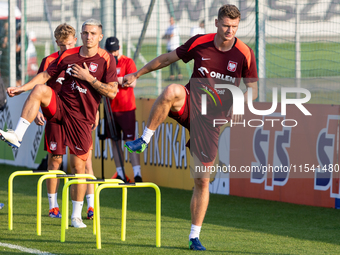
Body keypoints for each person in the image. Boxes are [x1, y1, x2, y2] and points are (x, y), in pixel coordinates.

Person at [124, 5, 258, 250]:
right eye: (226, 25)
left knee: (202, 181)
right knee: (171, 90)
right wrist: (138, 74)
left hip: (211, 121)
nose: (230, 31)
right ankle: (144, 140)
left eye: (235, 27)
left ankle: (194, 236)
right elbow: (167, 59)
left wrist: (240, 105)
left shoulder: (245, 53)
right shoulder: (200, 42)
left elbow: (253, 89)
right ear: (217, 23)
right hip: (189, 103)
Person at [0, 18, 118, 228]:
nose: (88, 37)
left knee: (78, 167)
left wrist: (88, 78)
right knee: (40, 90)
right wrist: (22, 88)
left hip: (82, 118)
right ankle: (17, 135)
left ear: (100, 36)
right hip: (61, 106)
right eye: (85, 33)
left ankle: (76, 215)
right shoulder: (67, 55)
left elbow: (112, 91)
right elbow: (46, 75)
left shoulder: (106, 59)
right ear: (80, 35)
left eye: (92, 33)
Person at [34, 23, 96, 220]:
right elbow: (39, 84)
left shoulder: (83, 59)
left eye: (68, 45)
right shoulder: (50, 60)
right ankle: (53, 207)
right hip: (56, 115)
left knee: (85, 164)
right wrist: (36, 109)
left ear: (75, 41)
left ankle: (90, 206)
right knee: (56, 160)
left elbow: (93, 90)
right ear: (56, 43)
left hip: (80, 117)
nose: (65, 49)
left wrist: (93, 114)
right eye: (61, 46)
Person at [104, 36, 142, 182]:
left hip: (126, 108)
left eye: (115, 51)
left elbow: (132, 83)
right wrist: (121, 80)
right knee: (114, 141)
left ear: (119, 48)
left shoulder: (128, 61)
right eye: (110, 51)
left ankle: (137, 173)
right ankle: (120, 173)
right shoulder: (106, 63)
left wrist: (114, 80)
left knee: (130, 140)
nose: (113, 54)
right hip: (110, 108)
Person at [163, 16, 182, 81]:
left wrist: (168, 35)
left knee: (175, 62)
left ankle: (179, 75)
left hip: (174, 47)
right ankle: (172, 76)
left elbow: (171, 35)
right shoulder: (169, 27)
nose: (170, 21)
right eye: (170, 20)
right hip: (169, 46)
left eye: (172, 20)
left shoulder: (175, 27)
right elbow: (164, 36)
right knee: (169, 62)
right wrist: (167, 35)